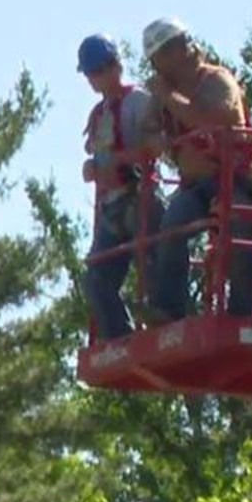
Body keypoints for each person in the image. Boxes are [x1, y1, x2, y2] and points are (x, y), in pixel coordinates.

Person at [142, 16, 252, 322]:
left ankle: (242, 312)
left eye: (165, 53)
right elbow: (147, 131)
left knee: (240, 225)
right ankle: (170, 309)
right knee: (172, 227)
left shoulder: (216, 80)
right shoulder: (163, 96)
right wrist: (156, 139)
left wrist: (168, 98)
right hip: (196, 185)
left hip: (234, 179)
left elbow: (217, 117)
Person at [77, 34, 166, 340]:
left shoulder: (138, 101)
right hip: (111, 206)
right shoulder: (98, 113)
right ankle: (120, 337)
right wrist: (93, 169)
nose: (96, 78)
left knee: (156, 263)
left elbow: (156, 146)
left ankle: (166, 325)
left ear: (115, 65)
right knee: (96, 279)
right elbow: (96, 156)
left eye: (101, 69)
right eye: (92, 73)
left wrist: (121, 160)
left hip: (139, 195)